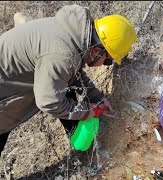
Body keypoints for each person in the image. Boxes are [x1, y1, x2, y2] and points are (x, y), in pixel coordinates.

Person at [0, 4, 137, 154]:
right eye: (107, 60)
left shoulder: (71, 34)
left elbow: (72, 72)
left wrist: (96, 97)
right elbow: (49, 103)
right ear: (97, 50)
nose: (104, 65)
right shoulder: (62, 55)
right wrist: (86, 111)